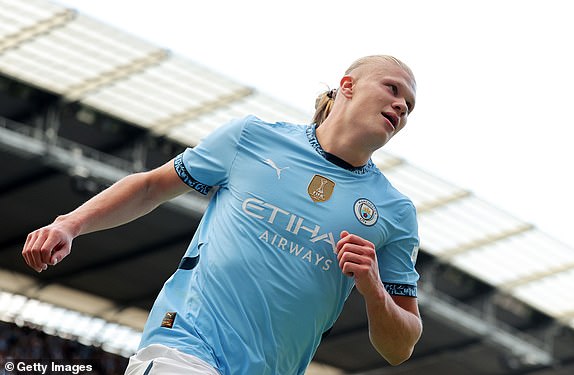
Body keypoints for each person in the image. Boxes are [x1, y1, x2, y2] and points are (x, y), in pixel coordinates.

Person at [22, 54, 422, 374]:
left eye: (409, 105)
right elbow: (150, 186)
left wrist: (374, 289)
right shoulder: (251, 138)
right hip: (185, 347)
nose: (401, 106)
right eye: (392, 88)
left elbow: (400, 347)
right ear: (348, 86)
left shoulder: (394, 212)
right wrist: (69, 224)